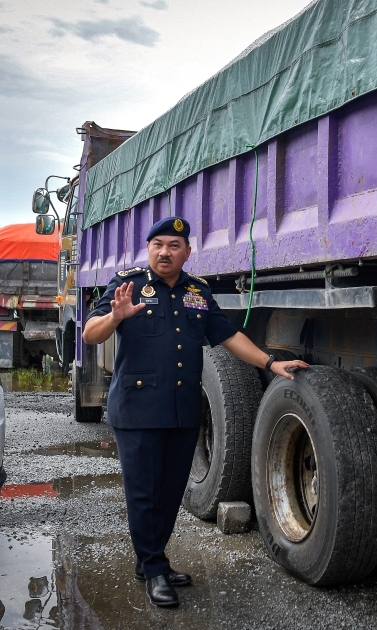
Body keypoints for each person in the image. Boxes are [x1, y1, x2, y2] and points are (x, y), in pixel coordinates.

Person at [82, 216, 308, 608]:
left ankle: (151, 560)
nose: (164, 252)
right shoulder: (128, 284)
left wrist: (271, 363)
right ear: (148, 249)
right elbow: (90, 333)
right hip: (137, 410)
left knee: (171, 493)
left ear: (187, 252)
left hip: (182, 409)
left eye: (174, 246)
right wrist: (116, 315)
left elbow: (228, 335)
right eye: (157, 245)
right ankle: (154, 568)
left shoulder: (197, 291)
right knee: (144, 494)